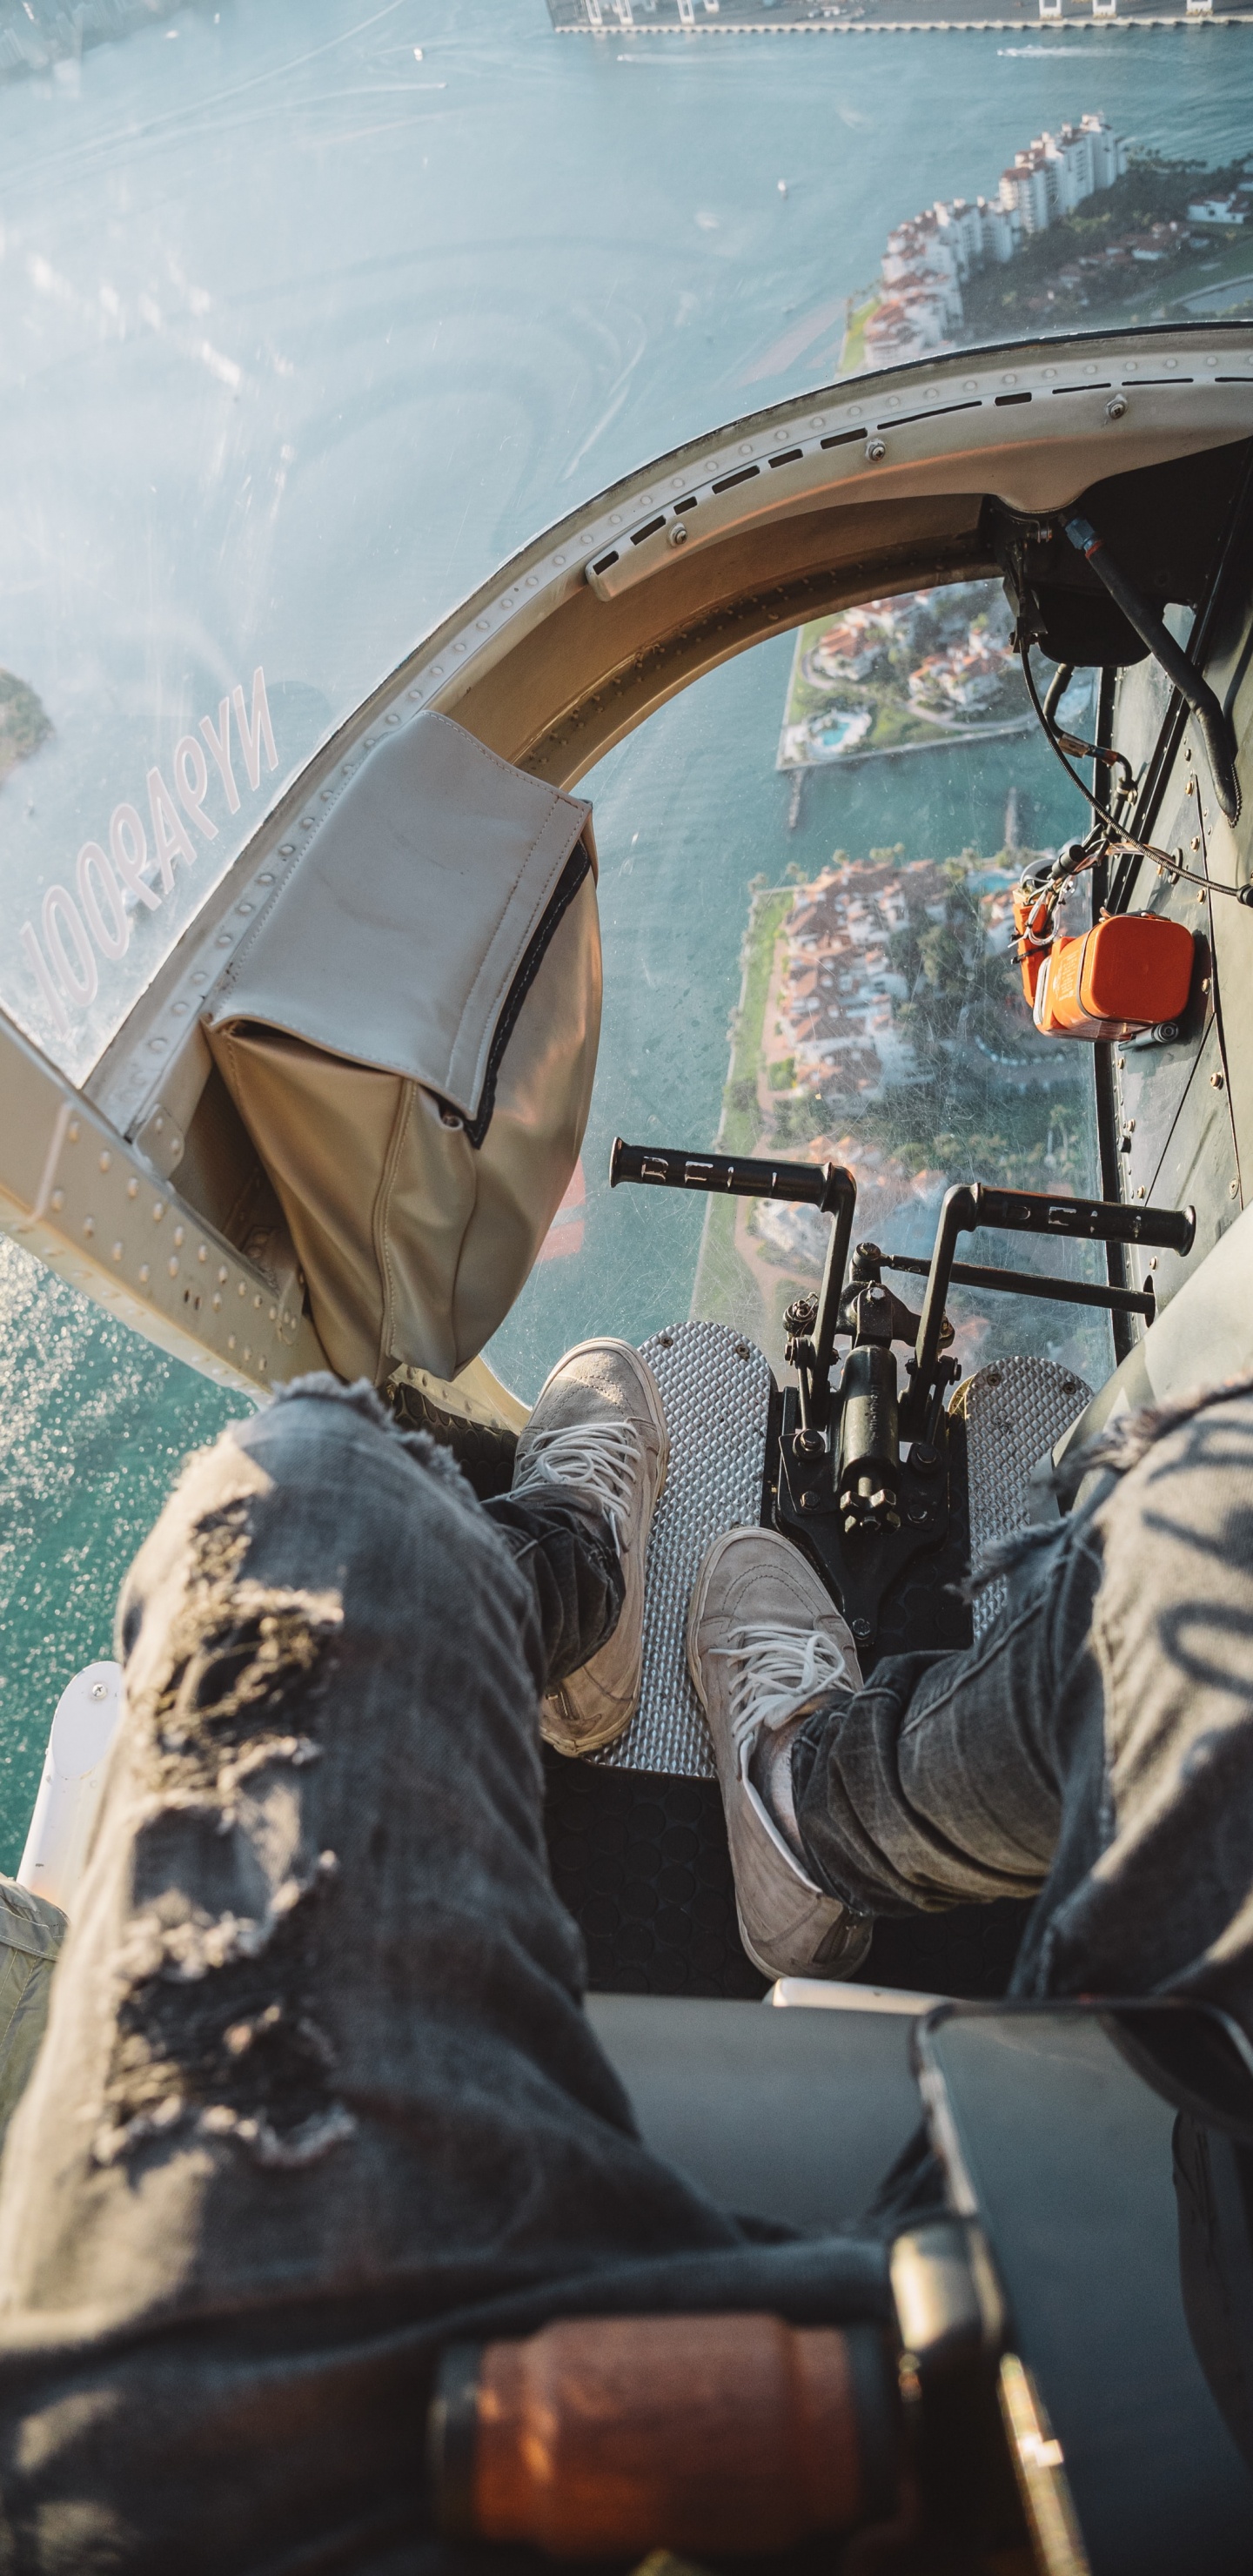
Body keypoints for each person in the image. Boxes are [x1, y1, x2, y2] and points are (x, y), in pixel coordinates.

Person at [0, 1338, 1248, 2569]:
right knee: (1217, 1550)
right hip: (1153, 2359)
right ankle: (807, 1808)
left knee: (308, 1503)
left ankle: (582, 1588)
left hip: (236, 2499)